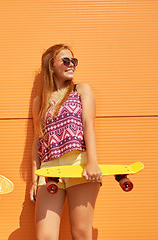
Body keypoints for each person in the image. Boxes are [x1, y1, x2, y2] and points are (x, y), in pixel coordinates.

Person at [30, 44, 103, 240]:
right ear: (51, 66)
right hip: (49, 170)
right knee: (45, 237)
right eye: (66, 60)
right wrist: (34, 178)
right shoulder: (39, 101)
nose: (72, 65)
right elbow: (37, 140)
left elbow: (89, 124)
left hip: (79, 166)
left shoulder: (81, 90)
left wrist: (92, 162)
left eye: (74, 61)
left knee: (80, 234)